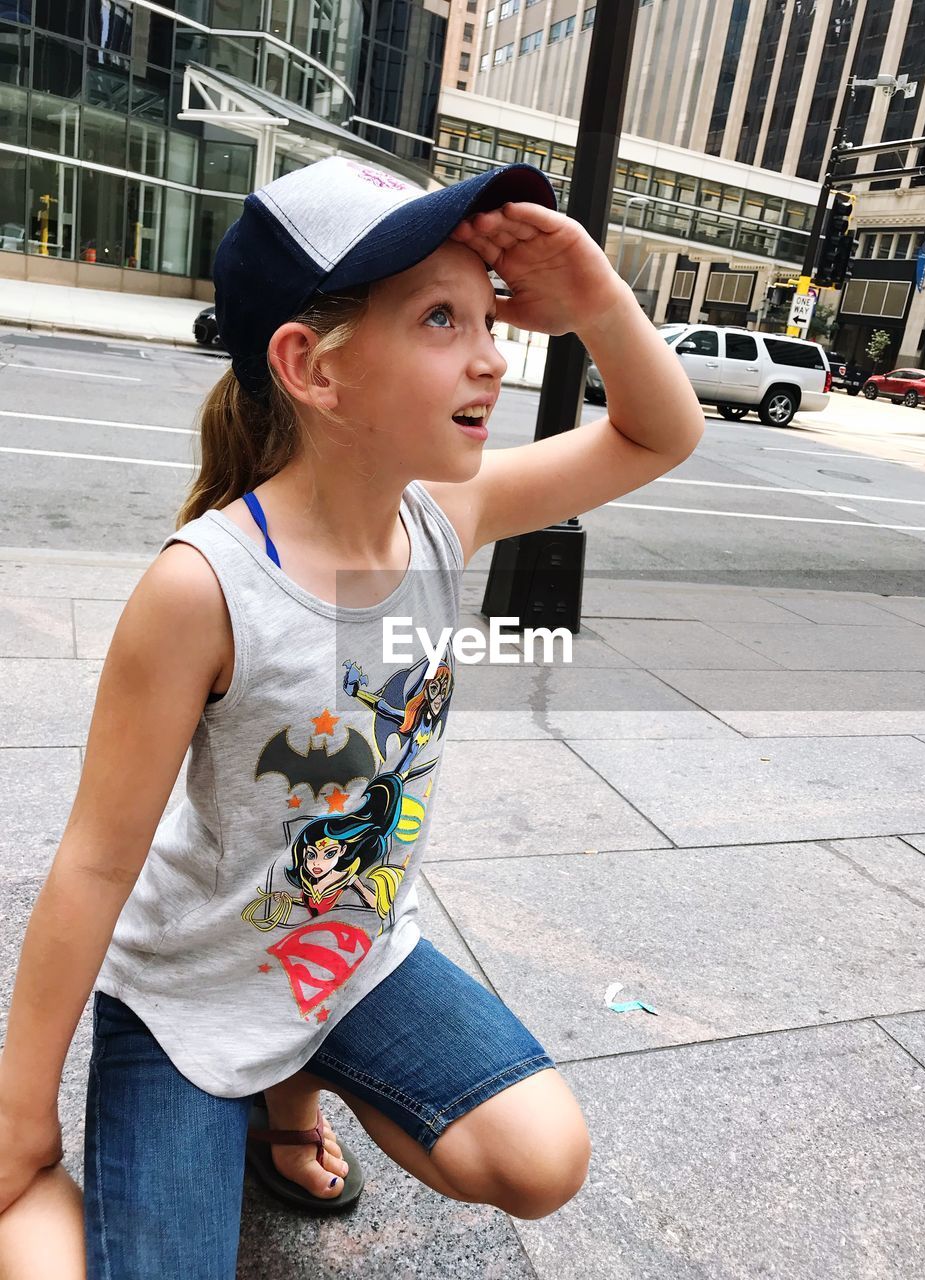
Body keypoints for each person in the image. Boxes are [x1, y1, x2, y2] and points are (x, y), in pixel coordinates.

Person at [0, 154, 704, 1278]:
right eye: (440, 316)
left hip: (351, 953)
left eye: (489, 314)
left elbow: (656, 435)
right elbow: (91, 863)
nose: (492, 353)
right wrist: (20, 1111)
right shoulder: (204, 588)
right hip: (194, 994)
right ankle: (59, 1183)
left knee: (544, 1157)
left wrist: (599, 303)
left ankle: (293, 1091)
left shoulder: (445, 516)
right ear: (310, 368)